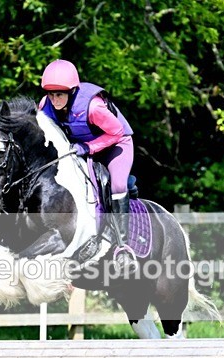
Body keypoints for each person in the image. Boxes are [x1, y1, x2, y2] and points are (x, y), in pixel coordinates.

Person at [38, 59, 137, 274]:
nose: (54, 100)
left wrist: (88, 147)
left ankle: (123, 247)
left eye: (60, 94)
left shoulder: (93, 107)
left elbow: (116, 132)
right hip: (79, 148)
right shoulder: (45, 106)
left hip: (115, 144)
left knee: (118, 185)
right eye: (51, 94)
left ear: (72, 91)